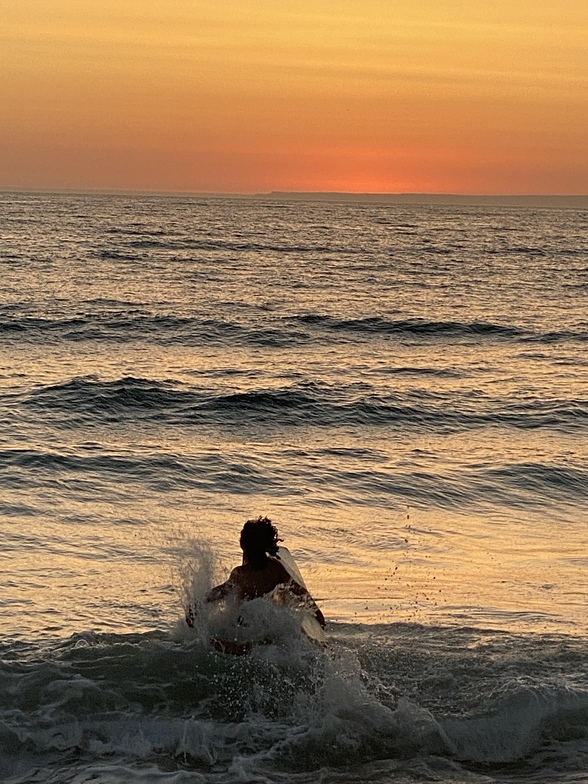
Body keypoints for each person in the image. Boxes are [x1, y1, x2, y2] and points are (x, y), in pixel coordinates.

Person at [185, 516, 325, 633]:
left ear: (243, 544)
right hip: (269, 622)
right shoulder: (276, 568)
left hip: (244, 625)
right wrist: (318, 614)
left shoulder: (240, 574)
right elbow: (299, 591)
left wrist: (197, 605)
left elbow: (221, 592)